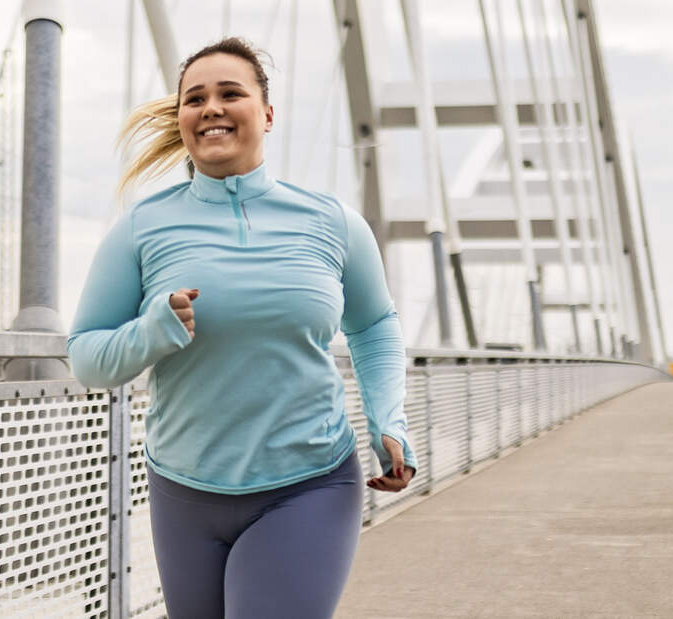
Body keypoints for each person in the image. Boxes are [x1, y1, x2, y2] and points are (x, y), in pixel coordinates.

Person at [67, 37, 416, 618]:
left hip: (309, 484)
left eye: (231, 93)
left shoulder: (334, 223)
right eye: (194, 98)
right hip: (183, 491)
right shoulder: (141, 227)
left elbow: (375, 325)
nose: (212, 107)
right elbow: (85, 357)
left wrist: (389, 423)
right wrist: (151, 332)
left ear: (268, 113)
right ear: (181, 118)